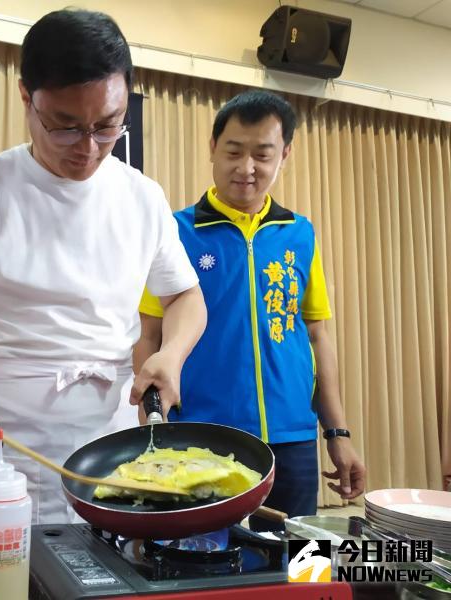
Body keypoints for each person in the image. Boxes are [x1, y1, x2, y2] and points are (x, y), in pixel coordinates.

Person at [0, 9, 207, 524]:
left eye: (107, 126)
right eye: (67, 128)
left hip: (116, 455)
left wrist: (173, 354)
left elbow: (185, 297)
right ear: (27, 98)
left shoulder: (141, 196)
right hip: (11, 457)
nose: (89, 148)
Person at [135, 90, 365, 530]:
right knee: (202, 568)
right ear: (212, 149)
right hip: (201, 436)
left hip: (292, 439)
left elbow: (316, 336)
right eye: (234, 152)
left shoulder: (299, 234)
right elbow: (149, 334)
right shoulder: (176, 231)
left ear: (285, 155)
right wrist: (151, 427)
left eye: (263, 154)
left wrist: (337, 433)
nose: (247, 168)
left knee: (297, 563)